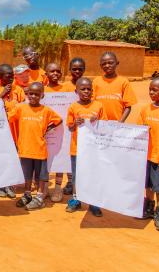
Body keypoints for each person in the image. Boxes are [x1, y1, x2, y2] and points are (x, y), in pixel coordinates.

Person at [8, 82, 62, 211]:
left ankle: (39, 198)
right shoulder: (21, 109)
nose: (33, 96)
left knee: (41, 176)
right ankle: (27, 194)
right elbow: (8, 118)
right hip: (24, 149)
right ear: (27, 94)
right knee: (27, 175)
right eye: (30, 93)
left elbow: (59, 120)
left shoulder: (46, 110)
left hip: (39, 150)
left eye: (36, 94)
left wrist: (48, 129)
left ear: (42, 95)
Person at [65, 77, 105, 217]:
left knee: (93, 175)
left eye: (89, 89)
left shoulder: (99, 106)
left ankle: (93, 202)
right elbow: (70, 128)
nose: (86, 91)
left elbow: (104, 127)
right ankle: (76, 199)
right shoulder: (73, 107)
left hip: (93, 150)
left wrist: (97, 122)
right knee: (77, 176)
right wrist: (75, 123)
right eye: (83, 89)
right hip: (77, 149)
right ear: (76, 91)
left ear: (92, 91)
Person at [137, 77, 159, 231]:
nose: (151, 92)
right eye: (150, 89)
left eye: (155, 90)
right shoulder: (145, 109)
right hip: (146, 156)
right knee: (147, 185)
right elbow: (138, 130)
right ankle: (148, 209)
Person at [0, 64, 25, 199]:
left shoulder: (19, 90)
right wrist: (2, 94)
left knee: (12, 158)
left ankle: (9, 185)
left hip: (14, 130)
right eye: (7, 75)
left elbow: (23, 107)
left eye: (12, 75)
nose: (10, 78)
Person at [43, 62, 69, 203]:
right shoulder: (42, 90)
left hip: (63, 129)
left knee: (61, 157)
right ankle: (45, 186)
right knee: (46, 158)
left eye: (58, 71)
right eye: (51, 71)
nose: (55, 74)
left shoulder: (68, 89)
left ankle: (58, 187)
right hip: (46, 129)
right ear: (46, 74)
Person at [61, 57, 86, 196]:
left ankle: (82, 183)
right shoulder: (64, 86)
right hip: (68, 124)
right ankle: (70, 181)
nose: (77, 71)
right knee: (67, 153)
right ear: (69, 70)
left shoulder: (87, 84)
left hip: (84, 127)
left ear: (84, 70)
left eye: (80, 69)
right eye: (74, 69)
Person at [93, 52, 137, 123]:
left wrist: (120, 122)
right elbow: (91, 103)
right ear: (100, 66)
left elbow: (128, 106)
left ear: (117, 63)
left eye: (110, 63)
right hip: (99, 123)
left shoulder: (123, 82)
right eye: (104, 64)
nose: (107, 65)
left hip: (117, 123)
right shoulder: (96, 81)